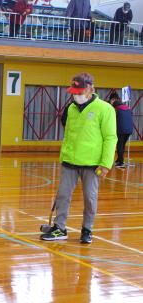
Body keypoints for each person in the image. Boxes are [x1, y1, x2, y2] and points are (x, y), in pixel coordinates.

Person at [40, 73, 116, 244]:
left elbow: (111, 138)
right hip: (69, 161)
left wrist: (105, 164)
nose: (76, 95)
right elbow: (68, 134)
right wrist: (63, 155)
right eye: (74, 91)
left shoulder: (105, 109)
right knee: (63, 195)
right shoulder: (71, 108)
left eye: (80, 91)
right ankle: (60, 228)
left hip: (92, 163)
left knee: (90, 198)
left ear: (91, 89)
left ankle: (87, 229)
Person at [109, 91, 133, 168]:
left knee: (119, 145)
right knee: (122, 145)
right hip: (129, 130)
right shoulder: (127, 108)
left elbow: (113, 119)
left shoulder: (116, 109)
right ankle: (119, 159)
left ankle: (121, 162)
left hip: (121, 130)